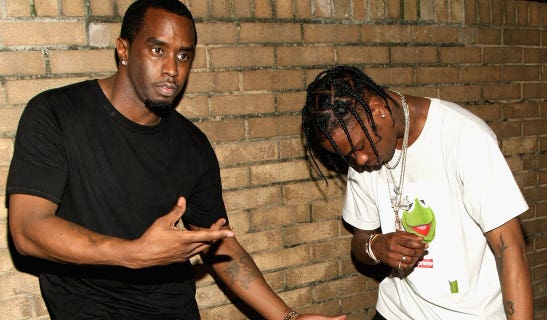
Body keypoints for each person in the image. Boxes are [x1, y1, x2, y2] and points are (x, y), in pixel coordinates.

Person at [6, 1, 346, 319]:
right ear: (123, 50)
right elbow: (27, 230)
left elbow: (220, 246)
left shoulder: (192, 145)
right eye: (158, 50)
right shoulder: (56, 114)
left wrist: (288, 316)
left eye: (184, 56)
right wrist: (132, 253)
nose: (172, 69)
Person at [301, 65, 533, 320]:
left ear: (378, 109)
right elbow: (360, 241)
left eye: (360, 147)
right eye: (349, 155)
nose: (360, 159)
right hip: (396, 313)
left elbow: (510, 248)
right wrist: (377, 247)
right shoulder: (362, 156)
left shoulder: (464, 137)